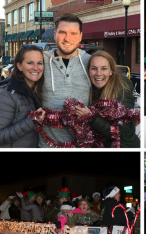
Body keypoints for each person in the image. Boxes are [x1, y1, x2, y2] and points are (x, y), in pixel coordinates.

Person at [39, 13, 91, 148]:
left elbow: (115, 89)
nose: (67, 39)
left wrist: (137, 108)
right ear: (55, 34)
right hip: (46, 145)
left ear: (80, 36)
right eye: (62, 32)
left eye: (73, 33)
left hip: (84, 145)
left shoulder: (92, 62)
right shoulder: (40, 61)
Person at [74, 50, 140, 148]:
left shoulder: (122, 90)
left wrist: (91, 117)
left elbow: (120, 132)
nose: (98, 73)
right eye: (94, 68)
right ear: (88, 70)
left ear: (111, 71)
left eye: (104, 68)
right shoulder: (89, 87)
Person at [0, 45, 45, 147]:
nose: (36, 68)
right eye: (30, 63)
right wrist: (31, 120)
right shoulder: (4, 95)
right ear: (19, 66)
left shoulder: (36, 92)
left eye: (39, 63)